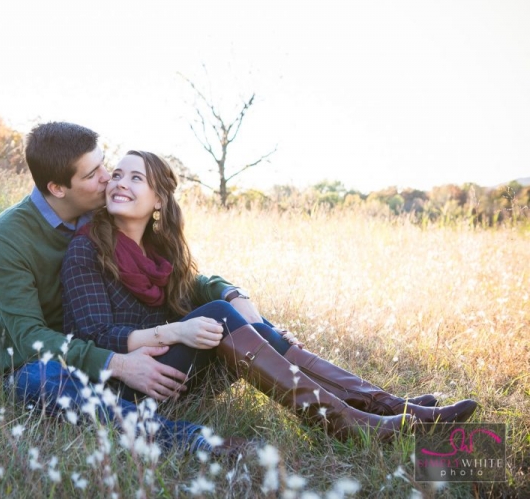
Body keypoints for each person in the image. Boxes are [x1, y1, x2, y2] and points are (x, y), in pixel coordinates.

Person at [61, 150, 478, 441]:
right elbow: (92, 334)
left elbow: (197, 292)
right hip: (127, 384)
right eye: (117, 174)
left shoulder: (161, 253)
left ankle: (384, 406)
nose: (119, 182)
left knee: (235, 318)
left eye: (137, 178)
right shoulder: (87, 247)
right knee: (220, 315)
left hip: (173, 375)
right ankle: (352, 420)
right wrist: (178, 332)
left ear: (157, 201)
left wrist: (253, 317)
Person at [0, 122, 247, 455]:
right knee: (40, 380)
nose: (109, 178)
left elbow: (172, 272)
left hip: (112, 349)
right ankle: (189, 439)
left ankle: (322, 390)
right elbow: (29, 338)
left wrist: (230, 292)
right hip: (47, 361)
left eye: (103, 163)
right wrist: (118, 363)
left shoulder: (104, 210)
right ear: (58, 187)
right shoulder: (8, 237)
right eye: (93, 173)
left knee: (220, 320)